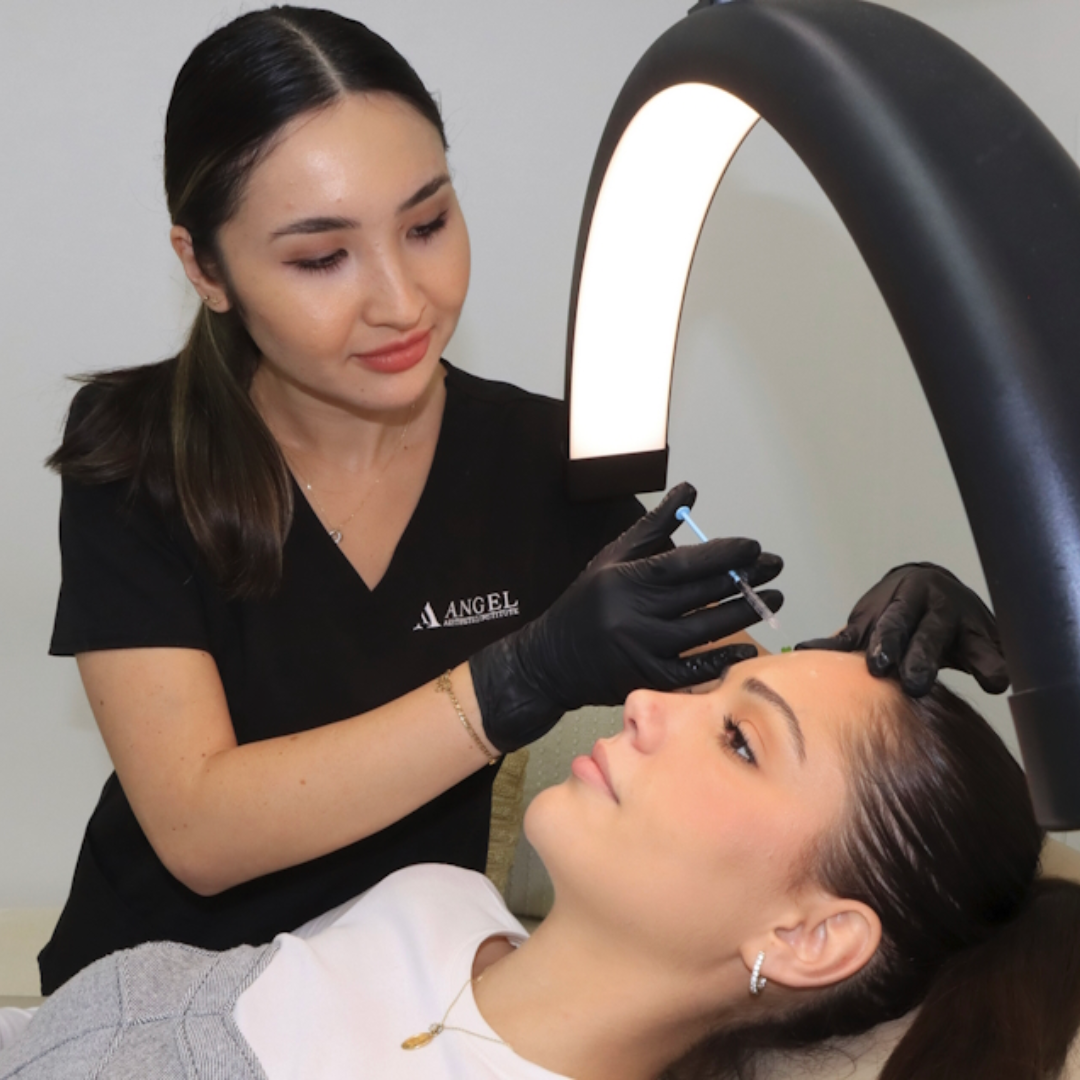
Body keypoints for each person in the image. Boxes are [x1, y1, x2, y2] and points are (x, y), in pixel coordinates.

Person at [39, 5, 1007, 995]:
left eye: (427, 224)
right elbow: (200, 829)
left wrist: (872, 659)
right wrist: (519, 679)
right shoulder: (138, 452)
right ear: (205, 267)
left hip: (401, 1008)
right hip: (143, 997)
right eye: (322, 258)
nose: (403, 301)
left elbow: (743, 708)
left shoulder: (545, 460)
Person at [2, 648, 1072, 1080]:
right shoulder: (437, 900)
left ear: (808, 935)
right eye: (703, 691)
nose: (644, 704)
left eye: (739, 740)